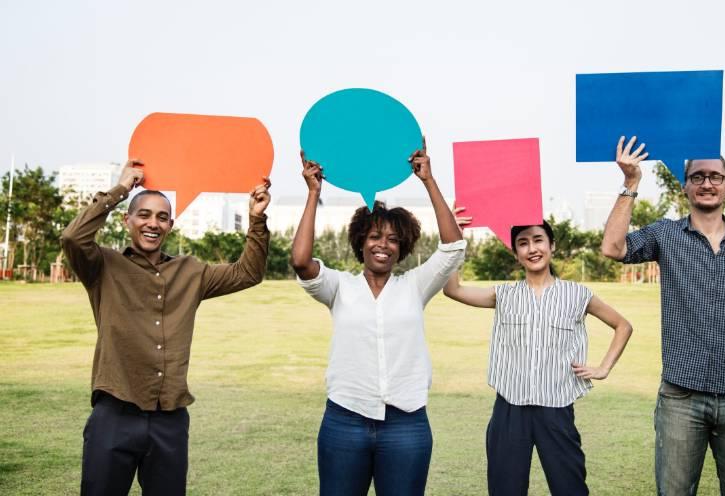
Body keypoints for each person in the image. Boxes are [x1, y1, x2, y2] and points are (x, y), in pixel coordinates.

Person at [600, 136, 725, 494]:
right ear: (685, 186)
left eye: (715, 176)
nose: (707, 183)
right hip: (680, 398)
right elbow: (612, 247)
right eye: (698, 177)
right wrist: (631, 182)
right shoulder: (665, 234)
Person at [61, 159, 271, 496]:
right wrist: (120, 190)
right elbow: (73, 237)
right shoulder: (103, 265)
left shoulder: (191, 272)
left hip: (170, 420)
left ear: (170, 225)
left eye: (161, 217)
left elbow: (248, 273)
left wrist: (257, 218)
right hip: (114, 413)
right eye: (143, 214)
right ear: (128, 220)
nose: (152, 223)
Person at [290, 139, 465, 496]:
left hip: (407, 424)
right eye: (374, 236)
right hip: (345, 420)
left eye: (393, 240)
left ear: (403, 248)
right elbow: (301, 262)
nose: (383, 245)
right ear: (360, 242)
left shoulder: (416, 285)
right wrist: (313, 193)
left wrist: (428, 180)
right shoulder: (339, 287)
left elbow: (452, 248)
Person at [443, 217, 633, 496]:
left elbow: (623, 326)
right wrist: (455, 239)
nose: (532, 248)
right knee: (505, 489)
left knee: (570, 488)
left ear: (551, 245)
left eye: (538, 240)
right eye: (523, 243)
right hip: (509, 409)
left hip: (556, 410)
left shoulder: (577, 294)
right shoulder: (504, 294)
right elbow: (453, 290)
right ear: (515, 253)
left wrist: (604, 367)